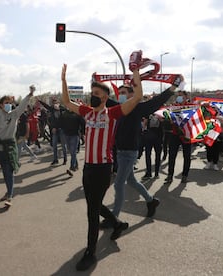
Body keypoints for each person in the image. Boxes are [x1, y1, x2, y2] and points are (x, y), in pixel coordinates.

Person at [61, 56, 143, 271]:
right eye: (92, 93)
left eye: (97, 94)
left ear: (106, 97)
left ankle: (90, 253)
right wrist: (63, 81)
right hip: (88, 167)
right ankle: (117, 224)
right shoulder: (87, 112)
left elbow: (138, 98)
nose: (93, 97)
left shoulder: (114, 113)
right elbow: (67, 103)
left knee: (91, 211)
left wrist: (135, 73)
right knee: (94, 206)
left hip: (103, 168)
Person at [109, 80, 180, 222]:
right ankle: (151, 200)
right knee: (132, 181)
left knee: (118, 184)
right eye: (119, 93)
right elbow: (103, 100)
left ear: (132, 95)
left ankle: (114, 218)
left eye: (123, 93)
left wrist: (174, 87)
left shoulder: (137, 108)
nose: (120, 96)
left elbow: (157, 101)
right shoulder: (119, 107)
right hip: (120, 151)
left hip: (129, 152)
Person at [165, 90, 192, 185]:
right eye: (178, 96)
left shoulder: (191, 107)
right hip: (175, 134)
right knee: (172, 156)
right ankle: (169, 176)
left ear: (186, 97)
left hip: (186, 135)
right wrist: (170, 120)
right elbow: (167, 117)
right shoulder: (173, 106)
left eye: (181, 96)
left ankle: (185, 176)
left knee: (187, 156)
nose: (179, 98)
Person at [60, 106, 85, 176]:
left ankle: (71, 167)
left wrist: (83, 133)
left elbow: (83, 123)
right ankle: (75, 165)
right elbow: (61, 122)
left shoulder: (77, 114)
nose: (70, 107)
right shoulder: (64, 114)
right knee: (71, 151)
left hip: (75, 135)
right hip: (66, 135)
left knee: (73, 151)